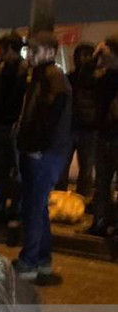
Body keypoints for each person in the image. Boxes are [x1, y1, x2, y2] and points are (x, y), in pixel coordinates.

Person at [13, 31, 72, 280]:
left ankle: (29, 262)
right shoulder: (41, 77)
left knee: (34, 208)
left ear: (49, 52)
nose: (30, 56)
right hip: (40, 151)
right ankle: (42, 259)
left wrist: (37, 146)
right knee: (38, 207)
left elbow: (50, 120)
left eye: (34, 51)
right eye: (29, 51)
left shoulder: (53, 79)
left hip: (43, 154)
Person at [0, 32, 28, 222]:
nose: (0, 52)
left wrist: (18, 122)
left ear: (10, 49)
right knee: (1, 169)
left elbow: (22, 100)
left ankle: (15, 210)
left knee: (17, 171)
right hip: (1, 124)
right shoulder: (3, 68)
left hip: (13, 127)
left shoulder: (24, 70)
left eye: (2, 48)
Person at [84, 34, 118, 237]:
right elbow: (84, 81)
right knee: (102, 183)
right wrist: (93, 59)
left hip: (115, 136)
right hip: (104, 134)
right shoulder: (104, 76)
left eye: (106, 52)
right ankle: (100, 222)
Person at [56, 43, 98, 196]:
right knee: (63, 166)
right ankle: (59, 198)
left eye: (88, 55)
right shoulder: (71, 77)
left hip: (89, 129)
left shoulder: (98, 79)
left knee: (86, 168)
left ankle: (82, 200)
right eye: (82, 55)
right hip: (71, 127)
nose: (85, 59)